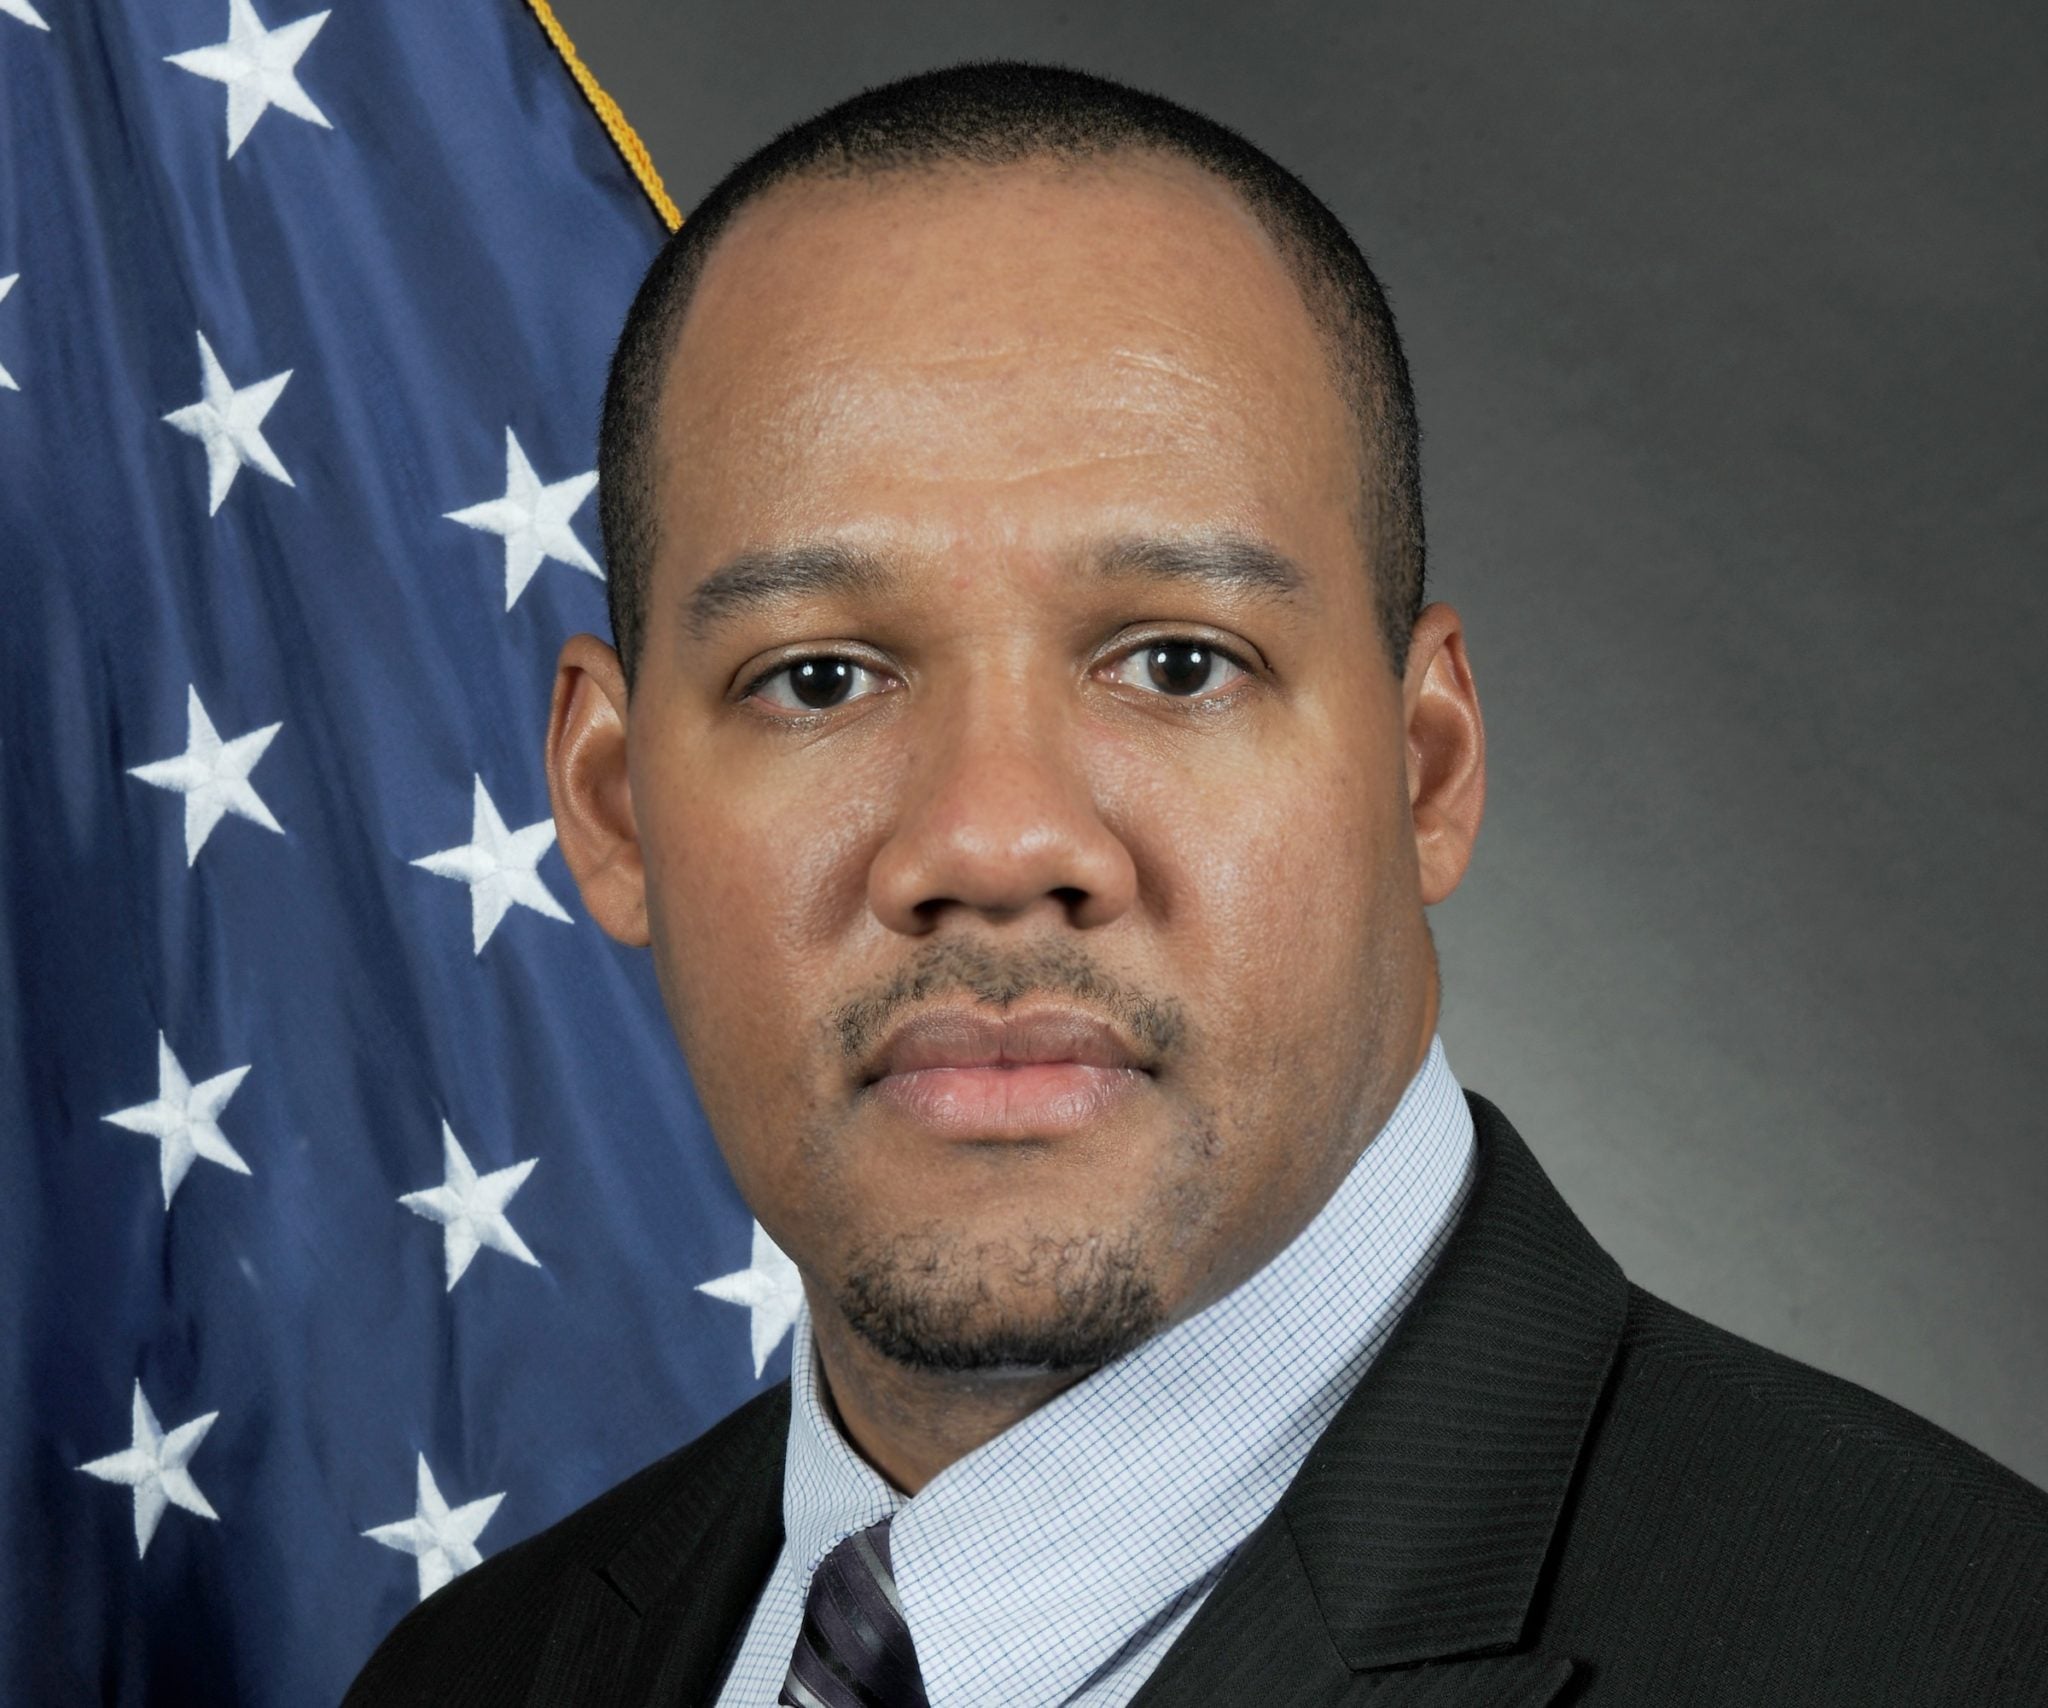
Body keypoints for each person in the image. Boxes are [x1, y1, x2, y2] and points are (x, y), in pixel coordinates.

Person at [345, 60, 2048, 1708]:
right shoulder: (475, 1676)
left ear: (1427, 767)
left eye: (1177, 662)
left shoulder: (1956, 1659)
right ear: (609, 806)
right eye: (820, 679)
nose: (994, 845)